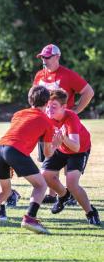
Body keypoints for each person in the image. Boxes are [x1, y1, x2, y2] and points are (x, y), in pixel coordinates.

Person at [0, 85, 61, 234]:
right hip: (14, 151)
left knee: (4, 192)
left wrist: (10, 161)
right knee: (40, 186)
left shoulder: (18, 114)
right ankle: (30, 218)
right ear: (47, 103)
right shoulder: (47, 122)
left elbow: (18, 133)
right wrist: (56, 145)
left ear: (30, 100)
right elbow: (47, 153)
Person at [33, 44, 95, 204]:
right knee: (49, 156)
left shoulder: (67, 75)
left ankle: (71, 193)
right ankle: (52, 194)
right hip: (44, 124)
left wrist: (76, 110)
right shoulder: (39, 75)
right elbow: (34, 97)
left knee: (67, 154)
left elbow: (88, 91)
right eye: (42, 57)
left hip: (65, 123)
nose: (44, 60)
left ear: (57, 57)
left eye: (47, 57)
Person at [42, 89, 99, 225]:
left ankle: (90, 212)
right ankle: (64, 196)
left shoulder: (71, 117)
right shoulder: (45, 118)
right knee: (45, 174)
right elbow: (48, 153)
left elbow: (76, 147)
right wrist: (54, 146)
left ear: (64, 107)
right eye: (48, 106)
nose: (49, 109)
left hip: (78, 150)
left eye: (54, 106)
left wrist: (63, 139)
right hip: (61, 148)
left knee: (72, 183)